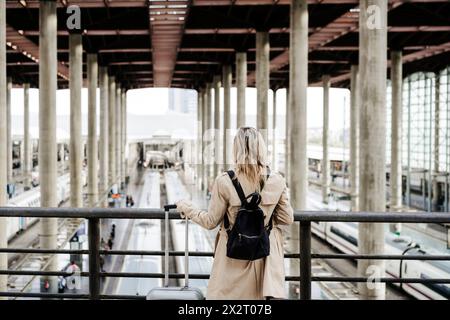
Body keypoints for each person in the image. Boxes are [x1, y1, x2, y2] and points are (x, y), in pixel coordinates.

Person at [176, 127, 294, 300]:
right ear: (261, 148)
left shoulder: (224, 181)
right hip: (262, 258)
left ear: (236, 149)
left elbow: (210, 222)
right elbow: (287, 218)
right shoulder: (276, 180)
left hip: (232, 257)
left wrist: (186, 207)